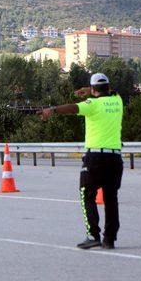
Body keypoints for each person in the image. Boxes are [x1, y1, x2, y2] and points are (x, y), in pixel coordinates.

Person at [38, 73, 124, 250]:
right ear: (107, 87)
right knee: (111, 198)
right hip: (115, 158)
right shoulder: (118, 100)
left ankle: (93, 235)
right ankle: (109, 239)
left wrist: (52, 110)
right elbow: (112, 91)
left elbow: (72, 108)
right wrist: (91, 90)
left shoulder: (92, 105)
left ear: (93, 90)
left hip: (96, 158)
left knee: (87, 195)